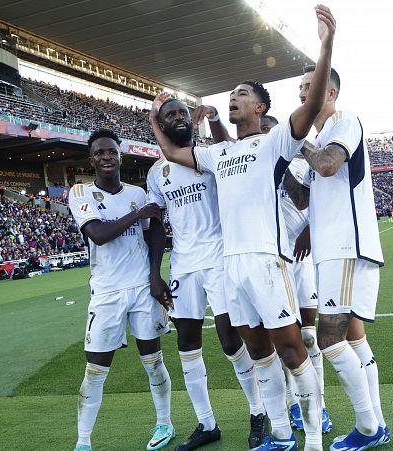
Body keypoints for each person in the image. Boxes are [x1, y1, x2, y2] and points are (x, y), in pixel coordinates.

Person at [149, 6, 335, 449]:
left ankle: (311, 439)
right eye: (231, 94)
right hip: (230, 266)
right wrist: (155, 119)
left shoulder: (275, 142)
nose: (233, 98)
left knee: (292, 350)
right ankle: (281, 435)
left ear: (261, 106)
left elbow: (309, 106)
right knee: (259, 354)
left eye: (241, 94)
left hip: (267, 261)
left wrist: (325, 45)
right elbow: (175, 156)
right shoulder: (218, 155)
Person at [146, 98, 266, 450]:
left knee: (231, 341)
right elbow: (156, 223)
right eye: (170, 115)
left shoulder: (213, 157)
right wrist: (156, 274)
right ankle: (206, 423)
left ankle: (258, 411)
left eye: (182, 112)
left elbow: (230, 148)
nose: (179, 118)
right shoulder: (157, 173)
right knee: (186, 343)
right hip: (184, 264)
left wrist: (213, 119)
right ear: (163, 126)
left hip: (219, 259)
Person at [296, 64, 389, 449]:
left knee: (329, 340)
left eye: (309, 87)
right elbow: (303, 195)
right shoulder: (318, 139)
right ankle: (377, 424)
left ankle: (368, 426)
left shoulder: (345, 122)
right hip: (332, 252)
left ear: (329, 92)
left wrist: (297, 142)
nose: (302, 94)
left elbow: (328, 165)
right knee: (353, 339)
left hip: (346, 248)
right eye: (300, 88)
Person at [68, 129, 174, 451]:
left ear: (120, 156)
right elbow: (98, 234)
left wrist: (156, 276)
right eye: (100, 153)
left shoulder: (138, 194)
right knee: (95, 368)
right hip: (107, 292)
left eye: (112, 152)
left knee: (153, 360)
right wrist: (138, 214)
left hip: (142, 287)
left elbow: (155, 235)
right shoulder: (80, 193)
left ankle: (164, 424)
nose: (106, 157)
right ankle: (83, 442)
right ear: (92, 159)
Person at [260, 114, 333, 435]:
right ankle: (292, 402)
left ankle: (319, 404)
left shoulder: (304, 161)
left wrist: (310, 230)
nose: (264, 136)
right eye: (260, 131)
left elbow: (320, 204)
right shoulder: (252, 168)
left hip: (302, 259)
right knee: (280, 342)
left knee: (307, 336)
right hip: (270, 262)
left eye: (269, 131)